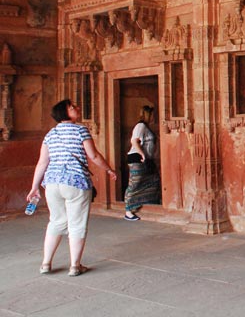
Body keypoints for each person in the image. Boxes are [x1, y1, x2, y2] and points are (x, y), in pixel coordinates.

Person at [27, 99, 117, 277]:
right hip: (75, 182)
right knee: (76, 224)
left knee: (56, 222)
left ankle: (46, 263)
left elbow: (42, 162)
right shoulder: (81, 130)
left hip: (52, 183)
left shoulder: (50, 134)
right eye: (72, 107)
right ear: (64, 113)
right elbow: (94, 155)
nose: (77, 108)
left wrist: (34, 187)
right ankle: (75, 266)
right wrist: (108, 169)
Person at [123, 105, 161, 220]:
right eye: (153, 115)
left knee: (153, 180)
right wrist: (142, 154)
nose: (154, 117)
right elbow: (134, 141)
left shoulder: (146, 127)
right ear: (147, 115)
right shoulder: (140, 126)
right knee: (135, 183)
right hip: (137, 158)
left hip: (145, 159)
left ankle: (150, 202)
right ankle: (128, 210)